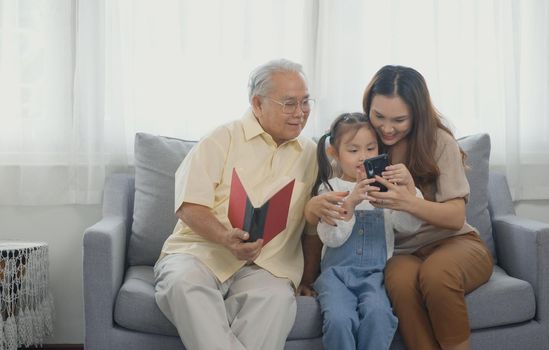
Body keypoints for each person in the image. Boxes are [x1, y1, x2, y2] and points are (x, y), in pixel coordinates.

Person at [303, 65, 493, 350]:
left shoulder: (438, 142)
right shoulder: (366, 140)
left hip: (453, 241)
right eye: (379, 116)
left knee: (436, 275)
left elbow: (455, 218)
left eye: (399, 119)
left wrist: (409, 201)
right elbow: (332, 178)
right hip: (401, 252)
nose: (387, 128)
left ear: (416, 114)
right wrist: (315, 207)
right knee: (400, 285)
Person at [153, 58, 318, 350]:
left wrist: (309, 277)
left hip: (268, 268)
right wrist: (224, 237)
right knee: (182, 284)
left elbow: (312, 227)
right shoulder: (221, 138)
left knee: (278, 301)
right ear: (257, 103)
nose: (300, 113)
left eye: (305, 102)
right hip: (200, 254)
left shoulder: (312, 155)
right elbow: (189, 205)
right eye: (289, 103)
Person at [309, 112, 424, 350]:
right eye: (353, 151)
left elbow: (409, 226)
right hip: (336, 276)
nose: (363, 157)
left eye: (371, 149)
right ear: (334, 153)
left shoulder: (384, 187)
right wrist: (349, 204)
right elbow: (331, 238)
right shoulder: (329, 188)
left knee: (379, 316)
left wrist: (408, 191)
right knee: (340, 320)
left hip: (377, 275)